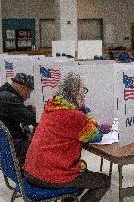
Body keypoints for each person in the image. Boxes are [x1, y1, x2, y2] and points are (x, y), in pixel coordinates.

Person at [23, 72, 111, 202]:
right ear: (76, 93)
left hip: (31, 171)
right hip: (48, 175)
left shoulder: (51, 106)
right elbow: (95, 135)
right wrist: (85, 111)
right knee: (104, 181)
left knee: (81, 176)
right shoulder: (74, 116)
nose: (84, 94)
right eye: (83, 91)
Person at [0, 73, 36, 164]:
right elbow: (32, 120)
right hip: (6, 148)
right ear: (22, 88)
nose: (28, 97)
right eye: (29, 93)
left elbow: (14, 111)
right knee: (43, 147)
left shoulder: (3, 92)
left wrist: (30, 108)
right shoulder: (10, 98)